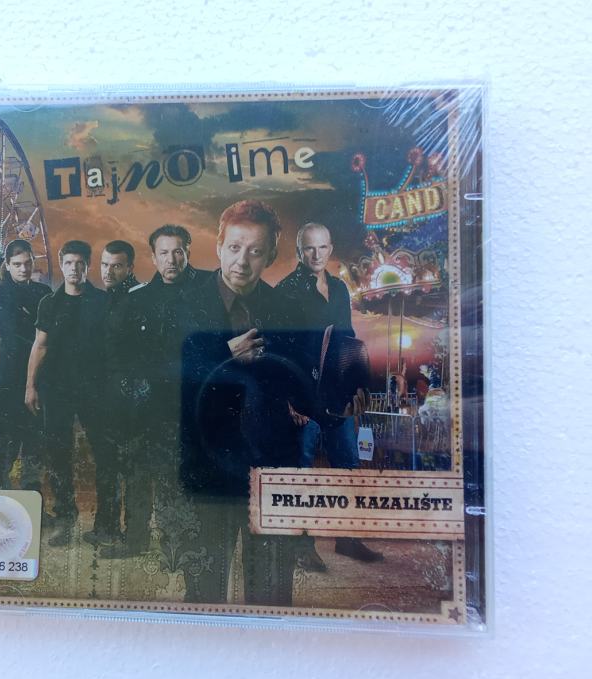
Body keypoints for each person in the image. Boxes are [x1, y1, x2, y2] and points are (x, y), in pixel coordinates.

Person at [175, 200, 316, 605]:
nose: (242, 261)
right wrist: (223, 355)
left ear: (270, 256)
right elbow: (163, 378)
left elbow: (303, 383)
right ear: (218, 246)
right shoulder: (182, 302)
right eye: (235, 248)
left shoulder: (288, 310)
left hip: (269, 468)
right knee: (204, 594)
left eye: (255, 251)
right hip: (207, 469)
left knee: (271, 595)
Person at [99, 225, 212, 558]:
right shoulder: (140, 298)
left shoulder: (209, 289)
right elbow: (119, 347)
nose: (171, 260)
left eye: (178, 251)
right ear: (153, 257)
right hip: (148, 402)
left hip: (193, 401)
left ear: (188, 251)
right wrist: (130, 386)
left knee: (182, 475)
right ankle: (135, 540)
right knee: (137, 469)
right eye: (164, 253)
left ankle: (179, 546)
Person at [277, 222, 383, 563]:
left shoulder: (338, 288)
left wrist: (357, 386)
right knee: (302, 471)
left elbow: (348, 339)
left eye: (322, 247)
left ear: (330, 248)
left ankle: (347, 539)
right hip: (303, 396)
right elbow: (279, 350)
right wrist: (288, 400)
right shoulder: (285, 291)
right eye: (309, 248)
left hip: (337, 395)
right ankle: (301, 546)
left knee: (347, 466)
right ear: (299, 251)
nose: (316, 254)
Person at [25, 240, 109, 547]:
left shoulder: (102, 301)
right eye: (69, 263)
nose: (74, 269)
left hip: (94, 388)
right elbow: (40, 345)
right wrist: (30, 385)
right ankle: (65, 521)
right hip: (56, 388)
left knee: (104, 454)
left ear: (88, 265)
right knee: (58, 455)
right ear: (61, 265)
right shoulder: (49, 303)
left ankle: (105, 525)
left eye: (80, 263)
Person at [83, 240, 139, 549]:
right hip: (106, 394)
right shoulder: (109, 299)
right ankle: (108, 527)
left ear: (130, 267)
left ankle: (118, 531)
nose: (108, 271)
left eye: (116, 266)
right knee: (109, 464)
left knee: (117, 465)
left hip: (123, 396)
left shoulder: (136, 300)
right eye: (104, 265)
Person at [0, 239, 51, 490]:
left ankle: (32, 502)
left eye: (28, 263)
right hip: (12, 378)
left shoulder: (43, 292)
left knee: (35, 447)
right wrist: (40, 336)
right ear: (8, 265)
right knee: (6, 446)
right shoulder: (0, 293)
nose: (24, 269)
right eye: (18, 264)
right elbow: (12, 334)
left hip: (38, 377)